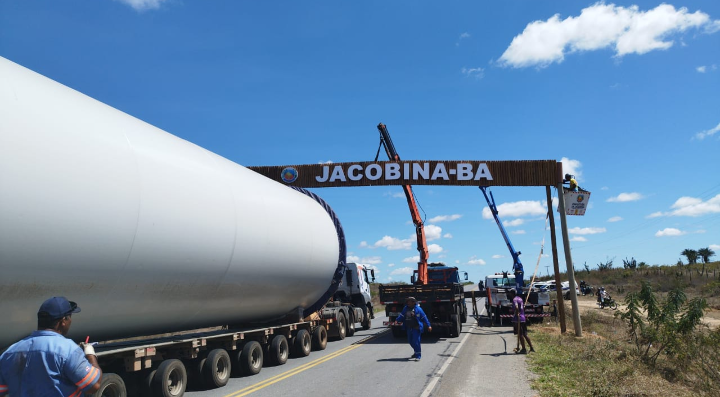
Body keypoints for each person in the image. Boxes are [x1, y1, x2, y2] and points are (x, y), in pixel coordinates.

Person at [0, 297, 102, 396]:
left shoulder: (10, 352)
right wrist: (90, 355)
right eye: (70, 317)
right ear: (63, 321)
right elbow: (93, 385)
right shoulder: (68, 350)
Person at [508, 289, 534, 354]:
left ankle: (524, 349)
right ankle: (531, 347)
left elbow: (516, 307)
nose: (509, 294)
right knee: (525, 334)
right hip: (523, 318)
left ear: (512, 293)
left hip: (518, 319)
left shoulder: (514, 300)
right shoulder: (520, 299)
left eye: (510, 293)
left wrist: (517, 313)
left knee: (520, 334)